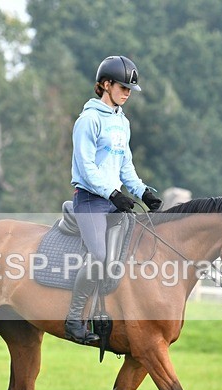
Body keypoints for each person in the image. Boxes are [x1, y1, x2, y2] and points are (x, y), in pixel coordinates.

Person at [65, 55, 163, 344]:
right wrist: (113, 193)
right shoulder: (88, 120)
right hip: (90, 201)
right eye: (123, 87)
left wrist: (143, 191)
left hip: (113, 201)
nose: (128, 93)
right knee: (98, 258)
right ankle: (73, 320)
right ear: (105, 85)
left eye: (130, 89)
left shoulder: (123, 122)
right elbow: (86, 167)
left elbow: (125, 166)